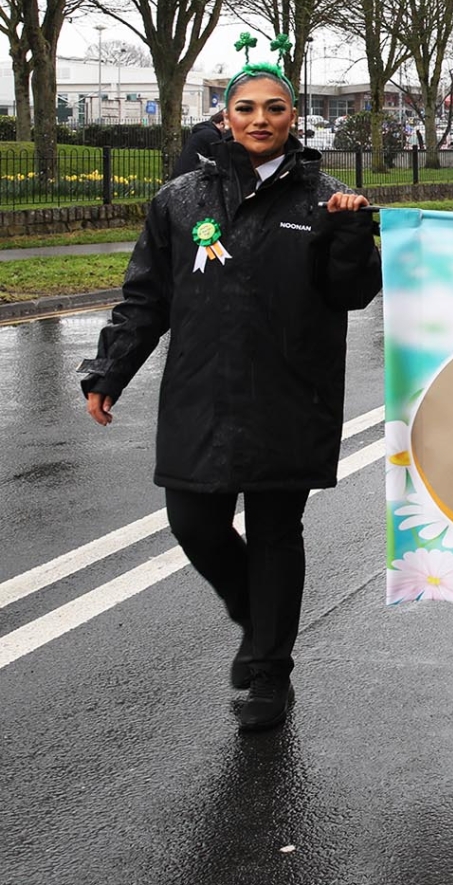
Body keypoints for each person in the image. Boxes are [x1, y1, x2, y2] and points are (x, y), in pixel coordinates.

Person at [79, 48, 382, 733]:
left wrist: (349, 235)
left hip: (289, 394)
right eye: (247, 108)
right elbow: (146, 298)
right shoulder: (180, 199)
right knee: (194, 524)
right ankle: (258, 615)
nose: (260, 118)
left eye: (275, 108)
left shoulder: (325, 198)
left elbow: (351, 294)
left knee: (277, 531)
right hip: (200, 393)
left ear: (293, 118)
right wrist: (109, 370)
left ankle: (270, 673)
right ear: (226, 117)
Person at [171, 107, 228, 179]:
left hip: (183, 173)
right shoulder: (211, 135)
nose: (226, 130)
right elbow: (222, 157)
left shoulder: (203, 131)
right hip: (190, 176)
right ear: (221, 123)